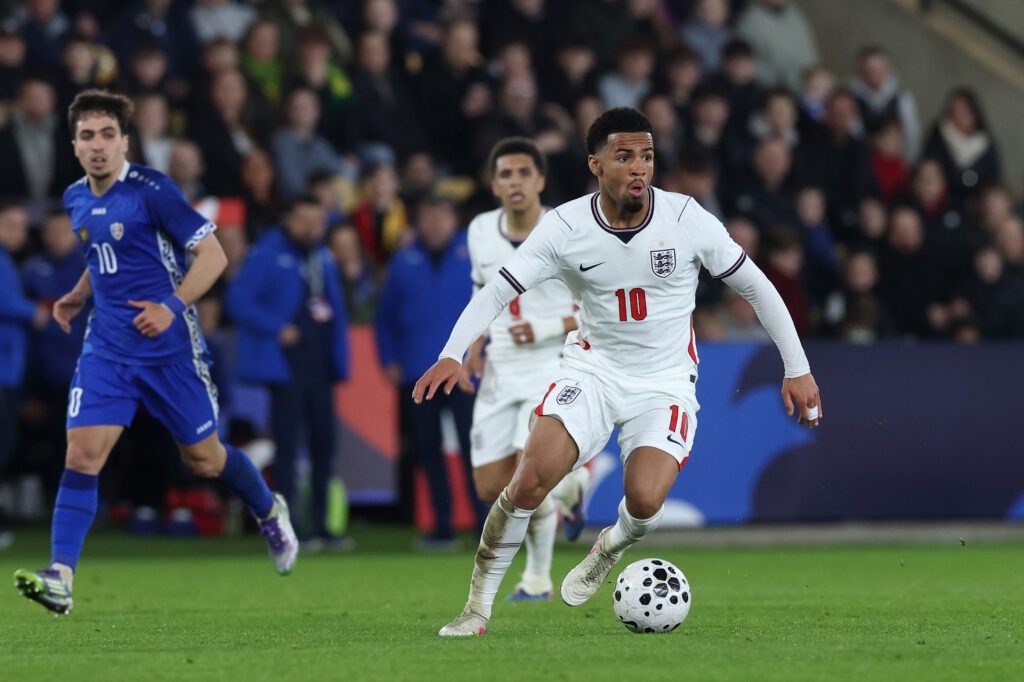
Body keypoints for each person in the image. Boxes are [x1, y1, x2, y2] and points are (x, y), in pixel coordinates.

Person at [413, 107, 821, 636]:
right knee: (528, 482)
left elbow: (757, 286)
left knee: (646, 500)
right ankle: (476, 608)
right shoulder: (564, 226)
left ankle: (609, 547)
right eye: (624, 157)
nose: (639, 169)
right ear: (595, 164)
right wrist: (453, 350)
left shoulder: (686, 218)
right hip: (592, 371)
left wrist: (798, 366)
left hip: (665, 381)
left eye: (647, 157)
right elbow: (497, 289)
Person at [13, 90, 298, 617]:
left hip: (169, 350)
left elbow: (212, 257)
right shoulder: (76, 197)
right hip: (108, 349)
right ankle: (60, 576)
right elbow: (103, 254)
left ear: (125, 141)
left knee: (205, 460)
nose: (97, 145)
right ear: (73, 145)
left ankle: (266, 507)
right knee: (82, 453)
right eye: (86, 136)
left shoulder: (153, 191)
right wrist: (80, 293)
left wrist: (171, 305)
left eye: (107, 135)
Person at [460, 138, 591, 601]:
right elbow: (482, 292)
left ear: (539, 180)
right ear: (494, 184)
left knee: (526, 479)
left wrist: (541, 328)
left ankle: (536, 580)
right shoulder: (478, 230)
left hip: (553, 362)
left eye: (523, 173)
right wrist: (472, 343)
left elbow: (600, 301)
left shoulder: (568, 229)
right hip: (500, 368)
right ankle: (571, 489)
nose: (514, 182)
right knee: (489, 486)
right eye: (505, 174)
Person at [226, 195, 352, 550]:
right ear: (289, 220)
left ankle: (324, 528)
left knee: (324, 444)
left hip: (320, 366)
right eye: (304, 221)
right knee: (286, 449)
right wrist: (276, 326)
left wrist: (340, 359)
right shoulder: (268, 252)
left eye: (318, 221)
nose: (312, 228)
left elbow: (334, 308)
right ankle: (291, 527)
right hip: (287, 367)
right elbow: (238, 299)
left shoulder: (322, 256)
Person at [375, 196, 490, 550]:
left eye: (442, 217)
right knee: (428, 451)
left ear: (454, 220)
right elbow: (385, 318)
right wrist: (388, 360)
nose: (435, 225)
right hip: (417, 370)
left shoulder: (475, 256)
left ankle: (486, 528)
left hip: (464, 370)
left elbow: (495, 306)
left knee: (476, 449)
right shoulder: (402, 261)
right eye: (428, 218)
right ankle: (442, 528)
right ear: (418, 222)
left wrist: (485, 354)